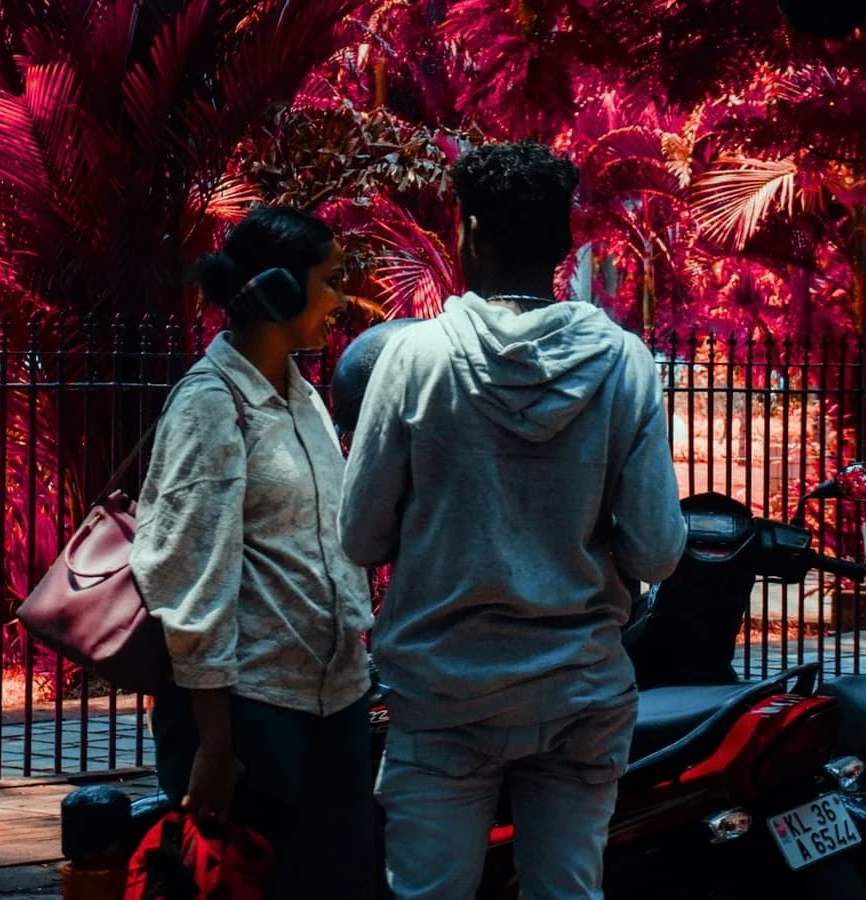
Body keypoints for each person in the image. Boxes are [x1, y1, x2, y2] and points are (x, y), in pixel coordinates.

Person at [339, 141, 687, 899]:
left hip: (441, 694)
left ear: (468, 233)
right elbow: (659, 550)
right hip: (580, 695)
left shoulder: (412, 360)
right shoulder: (624, 364)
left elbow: (360, 535)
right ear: (563, 245)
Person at [130, 205, 376, 899]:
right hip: (251, 717)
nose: (339, 300)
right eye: (328, 281)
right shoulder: (209, 405)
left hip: (334, 704)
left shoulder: (301, 398)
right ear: (279, 289)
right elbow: (189, 578)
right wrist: (214, 745)